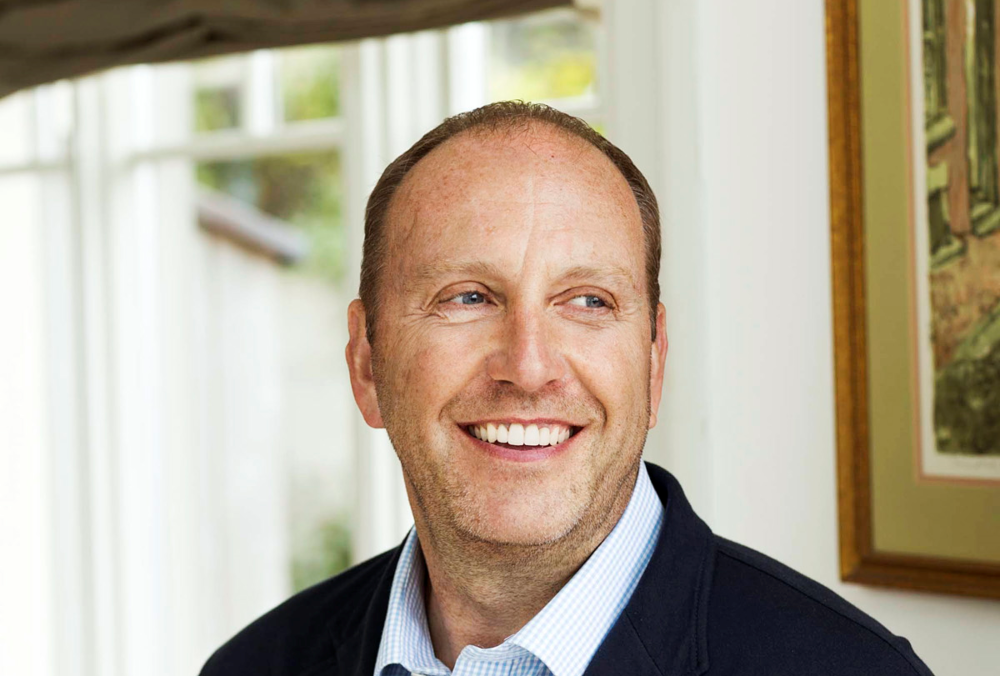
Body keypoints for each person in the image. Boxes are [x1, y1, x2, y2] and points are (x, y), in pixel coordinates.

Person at [200, 101, 933, 676]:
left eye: (588, 302)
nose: (528, 365)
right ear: (367, 362)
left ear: (653, 361)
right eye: (467, 297)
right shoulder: (253, 667)